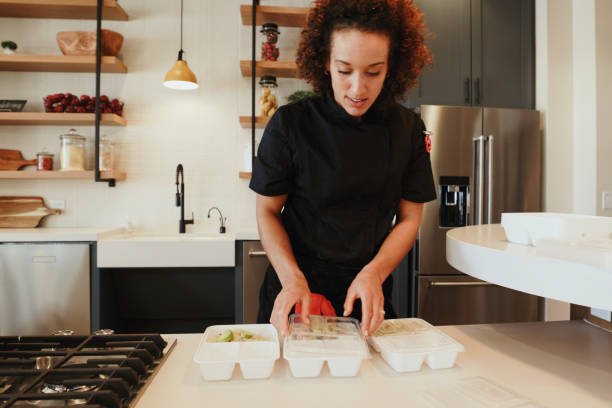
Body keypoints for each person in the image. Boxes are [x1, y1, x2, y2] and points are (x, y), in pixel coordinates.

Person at [249, 0, 436, 336]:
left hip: (366, 294)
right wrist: (292, 279)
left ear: (392, 66)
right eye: (344, 70)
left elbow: (410, 218)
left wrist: (374, 274)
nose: (358, 88)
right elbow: (267, 211)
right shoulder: (291, 124)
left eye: (373, 72)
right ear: (325, 62)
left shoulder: (408, 130)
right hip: (297, 294)